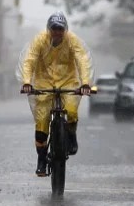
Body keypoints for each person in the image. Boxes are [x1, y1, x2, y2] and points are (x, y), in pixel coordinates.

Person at [19, 11, 93, 177]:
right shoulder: (39, 40)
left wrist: (85, 83)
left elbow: (82, 61)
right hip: (43, 82)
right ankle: (41, 159)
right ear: (48, 29)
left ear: (65, 29)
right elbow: (29, 61)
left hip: (68, 82)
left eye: (60, 29)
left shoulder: (72, 40)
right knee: (42, 120)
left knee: (72, 110)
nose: (57, 32)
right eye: (54, 29)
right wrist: (26, 82)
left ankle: (71, 134)